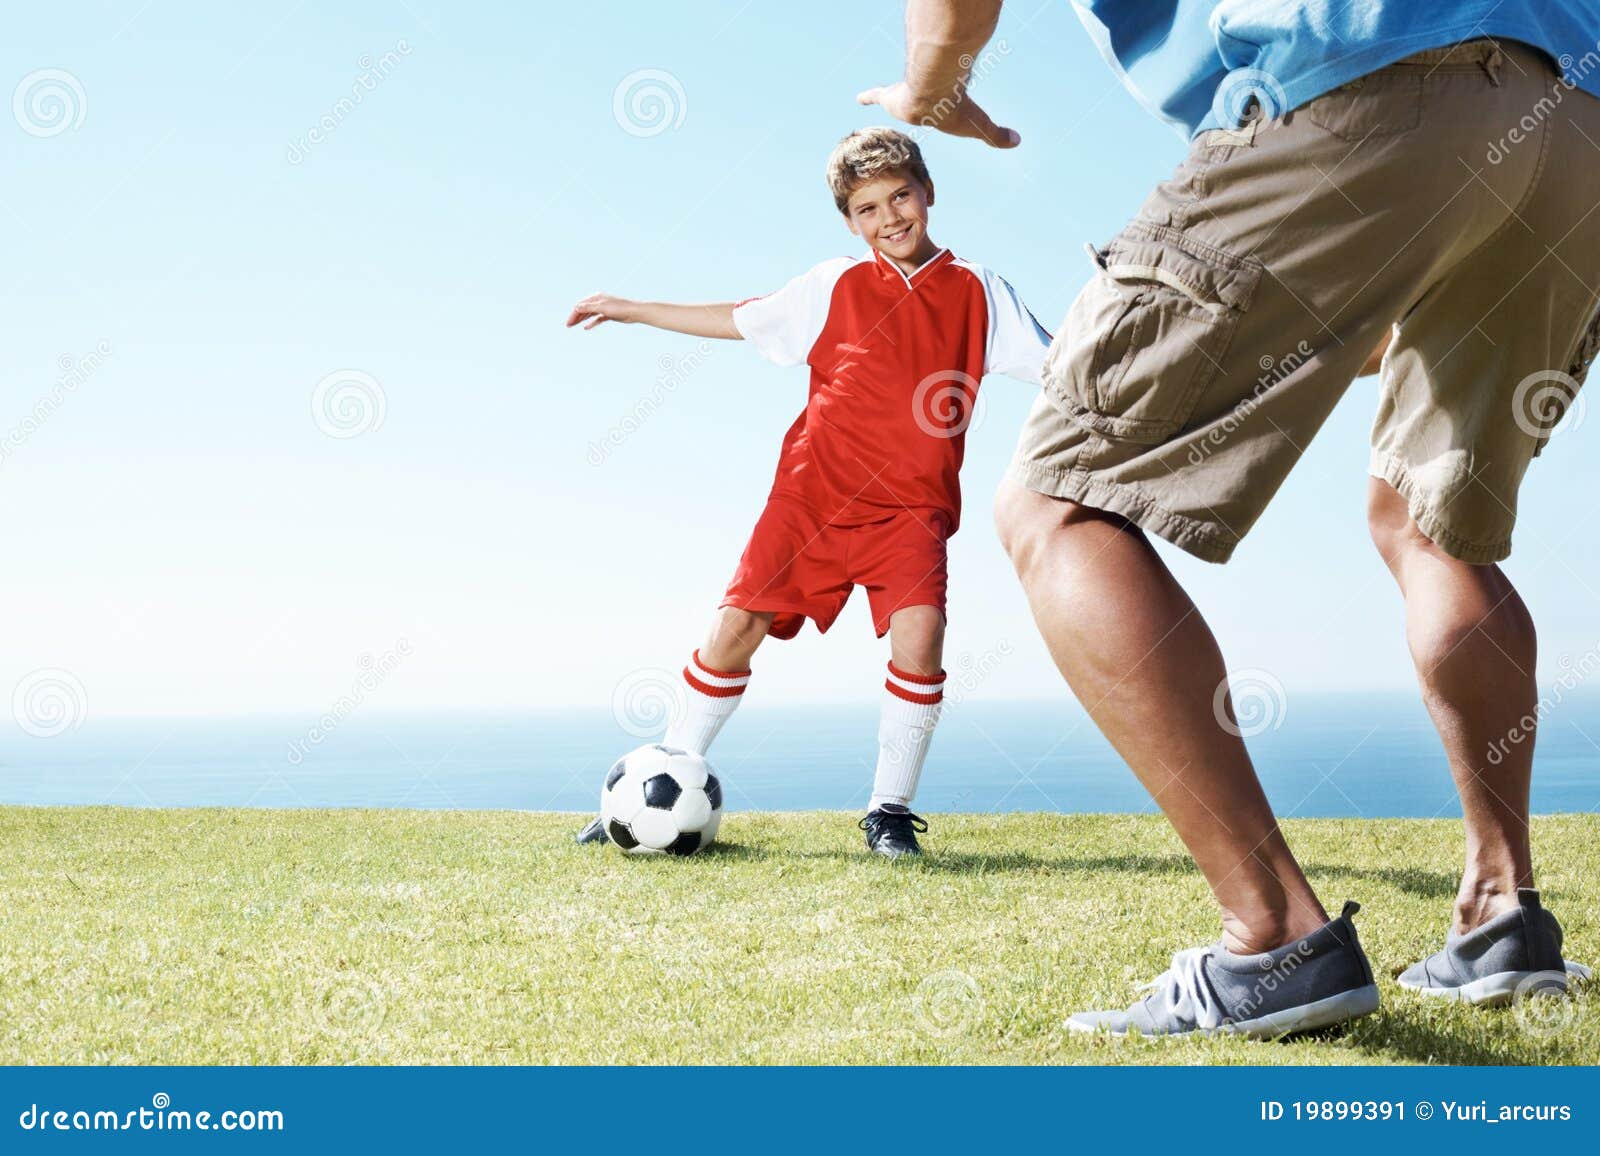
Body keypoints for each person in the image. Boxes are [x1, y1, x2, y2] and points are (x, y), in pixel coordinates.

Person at [860, 0, 1599, 1034]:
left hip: (1356, 68)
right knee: (1433, 524)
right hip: (1571, 121)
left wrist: (929, 89)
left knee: (1057, 503)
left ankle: (1274, 936)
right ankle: (1500, 914)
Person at [565, 127, 1052, 858]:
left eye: (899, 197)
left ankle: (888, 811)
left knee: (922, 639)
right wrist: (634, 308)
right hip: (811, 496)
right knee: (735, 629)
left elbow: (1063, 367)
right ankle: (652, 787)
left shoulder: (980, 291)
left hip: (912, 507)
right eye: (867, 208)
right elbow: (736, 318)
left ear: (927, 192)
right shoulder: (832, 285)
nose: (889, 217)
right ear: (850, 222)